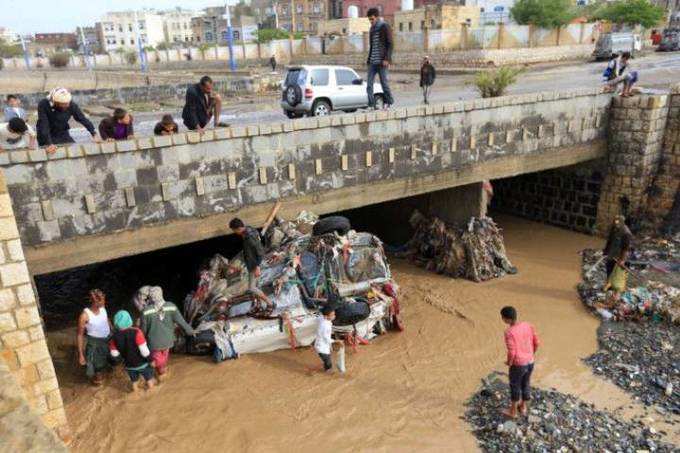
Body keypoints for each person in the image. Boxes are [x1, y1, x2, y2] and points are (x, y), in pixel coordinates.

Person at [140, 286, 195, 380]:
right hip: (168, 341)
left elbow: (143, 331)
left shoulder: (145, 311)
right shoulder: (171, 306)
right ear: (161, 294)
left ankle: (158, 375)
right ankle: (161, 373)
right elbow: (182, 322)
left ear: (151, 297)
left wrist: (140, 343)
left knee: (157, 362)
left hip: (153, 344)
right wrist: (191, 331)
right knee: (163, 359)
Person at [501, 306, 539, 419]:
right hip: (530, 361)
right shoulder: (527, 325)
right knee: (526, 382)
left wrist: (509, 362)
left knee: (515, 385)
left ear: (507, 319)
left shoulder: (509, 332)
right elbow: (537, 342)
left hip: (518, 364)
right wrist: (531, 354)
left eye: (502, 317)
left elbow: (512, 352)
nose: (502, 319)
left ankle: (512, 411)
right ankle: (523, 407)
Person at [228, 217, 274, 309]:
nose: (234, 232)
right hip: (252, 262)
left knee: (251, 287)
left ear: (238, 228)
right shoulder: (249, 230)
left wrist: (257, 266)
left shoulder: (249, 237)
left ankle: (270, 304)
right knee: (255, 285)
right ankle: (258, 302)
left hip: (254, 264)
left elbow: (260, 251)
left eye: (234, 230)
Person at [36, 87, 99, 153]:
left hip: (62, 132)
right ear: (56, 102)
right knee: (52, 151)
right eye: (64, 104)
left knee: (73, 150)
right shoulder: (44, 104)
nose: (67, 105)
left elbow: (82, 118)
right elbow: (44, 125)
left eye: (68, 103)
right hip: (45, 134)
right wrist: (49, 144)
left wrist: (94, 134)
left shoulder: (71, 104)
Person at [109, 310, 156, 392]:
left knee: (134, 382)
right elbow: (144, 351)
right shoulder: (137, 332)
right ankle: (152, 393)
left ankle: (136, 392)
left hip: (129, 365)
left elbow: (114, 354)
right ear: (129, 319)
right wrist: (151, 360)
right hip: (142, 364)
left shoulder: (114, 338)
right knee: (149, 379)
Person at [76, 289, 112, 386]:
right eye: (102, 300)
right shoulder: (84, 316)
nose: (104, 302)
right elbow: (80, 335)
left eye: (104, 300)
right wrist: (81, 354)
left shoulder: (102, 307)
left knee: (111, 361)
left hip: (108, 339)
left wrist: (112, 330)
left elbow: (106, 319)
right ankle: (97, 384)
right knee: (98, 371)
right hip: (95, 344)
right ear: (95, 302)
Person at [366, 8, 394, 110]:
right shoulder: (371, 30)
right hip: (373, 62)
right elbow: (372, 46)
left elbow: (390, 44)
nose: (371, 21)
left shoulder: (385, 26)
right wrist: (369, 60)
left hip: (382, 62)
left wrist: (387, 58)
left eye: (372, 19)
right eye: (369, 20)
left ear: (377, 17)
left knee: (384, 84)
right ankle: (371, 105)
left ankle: (389, 102)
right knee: (369, 85)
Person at [603, 215, 633, 281]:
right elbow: (609, 240)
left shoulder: (626, 233)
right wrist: (605, 251)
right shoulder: (614, 229)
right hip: (612, 254)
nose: (615, 223)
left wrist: (622, 260)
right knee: (609, 268)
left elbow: (626, 248)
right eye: (615, 221)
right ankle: (608, 284)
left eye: (617, 222)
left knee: (616, 274)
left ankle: (613, 287)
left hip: (619, 256)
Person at [315, 306, 335, 373]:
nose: (334, 316)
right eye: (332, 315)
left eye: (334, 314)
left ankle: (327, 368)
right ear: (326, 316)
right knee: (328, 360)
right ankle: (328, 370)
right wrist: (337, 341)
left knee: (327, 358)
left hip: (323, 345)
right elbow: (327, 338)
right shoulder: (324, 326)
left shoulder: (323, 319)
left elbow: (319, 317)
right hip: (321, 346)